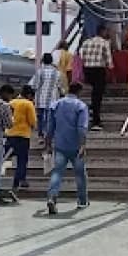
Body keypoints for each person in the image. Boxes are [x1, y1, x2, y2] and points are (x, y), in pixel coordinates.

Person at [45, 82, 91, 214]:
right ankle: (82, 200)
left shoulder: (56, 104)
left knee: (57, 172)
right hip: (76, 145)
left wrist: (48, 144)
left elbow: (50, 127)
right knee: (80, 174)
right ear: (79, 92)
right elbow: (82, 128)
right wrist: (83, 144)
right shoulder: (81, 106)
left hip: (60, 144)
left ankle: (52, 197)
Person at [80, 25, 114, 130]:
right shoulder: (105, 43)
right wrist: (110, 66)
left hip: (88, 70)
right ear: (102, 32)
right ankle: (96, 120)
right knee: (97, 95)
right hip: (98, 69)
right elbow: (109, 61)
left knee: (95, 92)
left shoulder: (86, 42)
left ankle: (92, 109)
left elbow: (81, 55)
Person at [6, 84, 38, 190]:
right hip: (23, 136)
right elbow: (32, 121)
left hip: (10, 134)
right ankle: (18, 181)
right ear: (29, 95)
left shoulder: (11, 102)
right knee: (22, 160)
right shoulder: (28, 104)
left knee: (6, 157)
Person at [30, 53, 62, 138]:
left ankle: (40, 134)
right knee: (50, 118)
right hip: (53, 99)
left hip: (40, 99)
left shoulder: (39, 72)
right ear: (51, 61)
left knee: (40, 117)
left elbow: (35, 86)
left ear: (43, 61)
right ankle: (49, 135)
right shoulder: (57, 73)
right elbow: (60, 86)